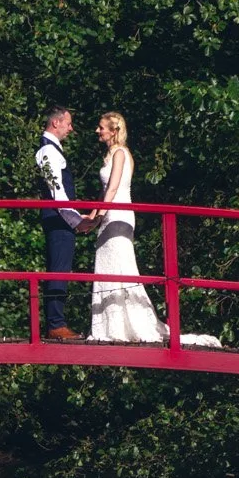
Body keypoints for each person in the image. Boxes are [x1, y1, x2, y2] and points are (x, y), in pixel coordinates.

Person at [88, 113, 163, 344]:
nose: (97, 131)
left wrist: (98, 217)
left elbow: (112, 188)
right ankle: (111, 325)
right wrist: (90, 217)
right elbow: (103, 192)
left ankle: (125, 325)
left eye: (101, 128)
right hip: (109, 213)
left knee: (121, 266)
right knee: (108, 265)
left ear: (114, 130)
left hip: (118, 214)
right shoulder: (109, 155)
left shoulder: (120, 153)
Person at [34, 107, 88, 341]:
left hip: (60, 217)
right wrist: (76, 221)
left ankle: (57, 322)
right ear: (56, 123)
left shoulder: (52, 150)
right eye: (68, 123)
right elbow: (56, 190)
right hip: (58, 218)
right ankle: (55, 324)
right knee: (58, 269)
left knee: (61, 269)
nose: (71, 128)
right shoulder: (47, 151)